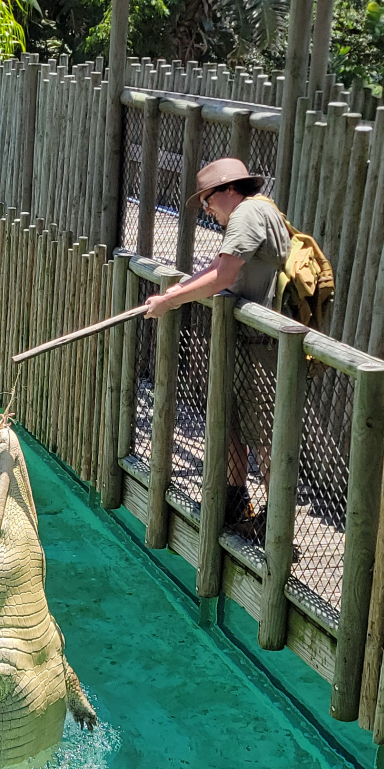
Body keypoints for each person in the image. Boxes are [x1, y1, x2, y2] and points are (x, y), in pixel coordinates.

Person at [142, 157, 292, 537]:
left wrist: (170, 302)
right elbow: (217, 266)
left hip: (259, 345)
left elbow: (224, 276)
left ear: (229, 189)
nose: (207, 209)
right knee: (233, 426)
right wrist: (178, 289)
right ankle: (235, 504)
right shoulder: (257, 211)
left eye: (208, 199)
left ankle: (277, 528)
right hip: (247, 342)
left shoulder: (246, 214)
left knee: (264, 436)